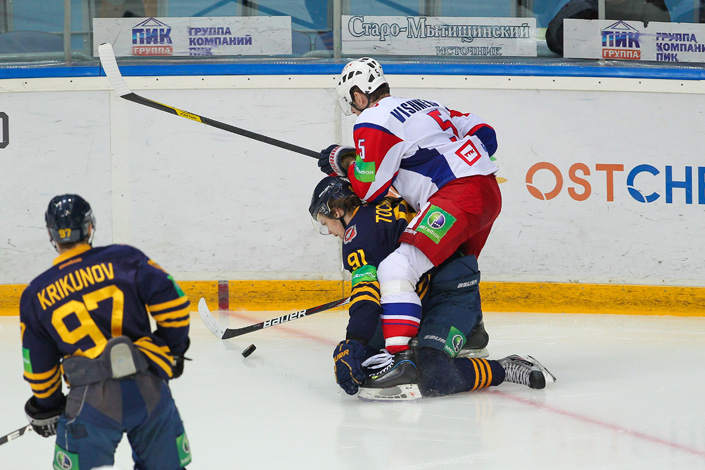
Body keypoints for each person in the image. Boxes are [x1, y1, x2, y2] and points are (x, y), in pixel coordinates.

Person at [318, 57, 502, 393]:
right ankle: (472, 331)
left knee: (395, 268)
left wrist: (343, 160)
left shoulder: (373, 117)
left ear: (359, 95)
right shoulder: (428, 106)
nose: (355, 113)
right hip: (488, 190)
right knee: (454, 265)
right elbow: (486, 135)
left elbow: (369, 189)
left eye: (353, 106)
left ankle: (399, 360)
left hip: (456, 195)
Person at [309, 176, 556, 400]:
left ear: (337, 211)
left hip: (451, 294)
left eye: (325, 223)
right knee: (369, 361)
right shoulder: (384, 199)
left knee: (433, 373)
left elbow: (366, 298)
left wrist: (353, 342)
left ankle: (504, 367)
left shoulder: (356, 237)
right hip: (430, 289)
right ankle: (430, 337)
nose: (329, 231)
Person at [20, 194, 192, 469]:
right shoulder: (125, 258)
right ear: (89, 227)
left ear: (51, 235)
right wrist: (172, 350)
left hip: (91, 403)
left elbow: (39, 368)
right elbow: (175, 306)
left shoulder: (35, 295)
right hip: (148, 387)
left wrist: (48, 404)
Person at [545, 0, 671, 55]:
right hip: (591, 74)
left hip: (639, 74)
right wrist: (579, 47)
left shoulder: (650, 5)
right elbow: (554, 36)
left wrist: (616, 44)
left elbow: (663, 40)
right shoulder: (583, 5)